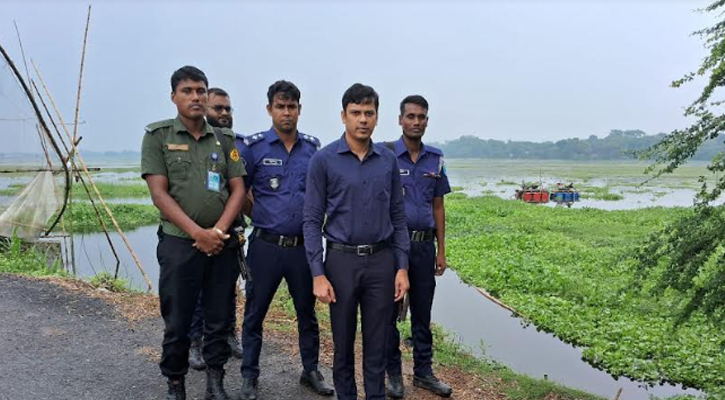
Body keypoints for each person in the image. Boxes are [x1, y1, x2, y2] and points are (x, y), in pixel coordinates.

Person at [141, 66, 246, 400]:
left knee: (219, 319)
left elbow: (238, 190)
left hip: (221, 244)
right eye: (188, 91)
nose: (196, 97)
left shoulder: (224, 139)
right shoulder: (159, 137)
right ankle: (176, 381)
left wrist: (217, 231)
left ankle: (216, 381)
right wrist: (197, 233)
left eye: (201, 90)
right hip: (179, 244)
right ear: (174, 96)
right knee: (178, 319)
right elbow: (159, 194)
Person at [303, 83, 410, 400]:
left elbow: (398, 217)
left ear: (377, 117)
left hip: (382, 261)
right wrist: (317, 273)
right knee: (343, 346)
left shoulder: (387, 160)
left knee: (378, 345)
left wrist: (401, 268)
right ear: (343, 116)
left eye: (369, 113)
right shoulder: (324, 160)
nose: (363, 119)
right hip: (341, 263)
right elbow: (311, 219)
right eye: (356, 113)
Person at [236, 80, 334, 400]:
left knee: (307, 313)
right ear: (270, 110)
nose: (287, 112)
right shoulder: (254, 148)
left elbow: (321, 195)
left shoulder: (312, 148)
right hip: (265, 246)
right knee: (255, 312)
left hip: (302, 248)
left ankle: (311, 370)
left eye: (292, 106)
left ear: (300, 110)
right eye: (280, 106)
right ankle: (249, 375)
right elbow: (241, 192)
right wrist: (264, 217)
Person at [385, 95, 453, 398]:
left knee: (422, 313)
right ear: (400, 119)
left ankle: (424, 373)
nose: (416, 122)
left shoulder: (435, 159)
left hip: (424, 247)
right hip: (392, 248)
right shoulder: (385, 156)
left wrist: (441, 250)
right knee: (388, 312)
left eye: (421, 117)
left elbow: (438, 206)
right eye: (410, 116)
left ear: (427, 121)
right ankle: (394, 375)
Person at [187, 87, 244, 371]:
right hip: (198, 233)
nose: (223, 114)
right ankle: (195, 341)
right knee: (196, 290)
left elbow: (245, 188)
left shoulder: (236, 144)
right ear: (204, 110)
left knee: (228, 288)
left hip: (229, 231)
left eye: (228, 109)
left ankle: (228, 334)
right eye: (217, 108)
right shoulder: (194, 145)